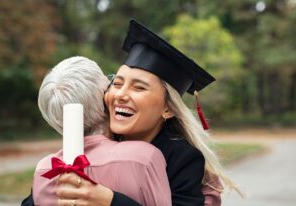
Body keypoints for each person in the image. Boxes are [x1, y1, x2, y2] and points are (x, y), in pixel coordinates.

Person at [55, 20, 237, 206]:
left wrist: (110, 201)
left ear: (168, 109)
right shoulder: (96, 141)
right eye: (116, 84)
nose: (121, 95)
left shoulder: (182, 159)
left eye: (139, 88)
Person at [31, 56, 171, 206]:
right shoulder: (143, 157)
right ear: (103, 99)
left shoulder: (44, 170)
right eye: (112, 84)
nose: (117, 94)